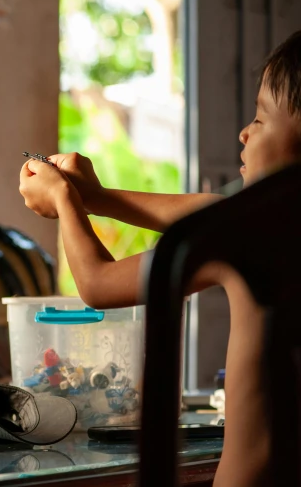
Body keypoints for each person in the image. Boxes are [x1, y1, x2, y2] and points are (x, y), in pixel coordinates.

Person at [18, 30, 301, 486]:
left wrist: (63, 202)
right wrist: (93, 196)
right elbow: (207, 212)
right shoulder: (265, 224)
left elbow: (98, 283)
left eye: (262, 119)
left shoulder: (253, 235)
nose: (244, 132)